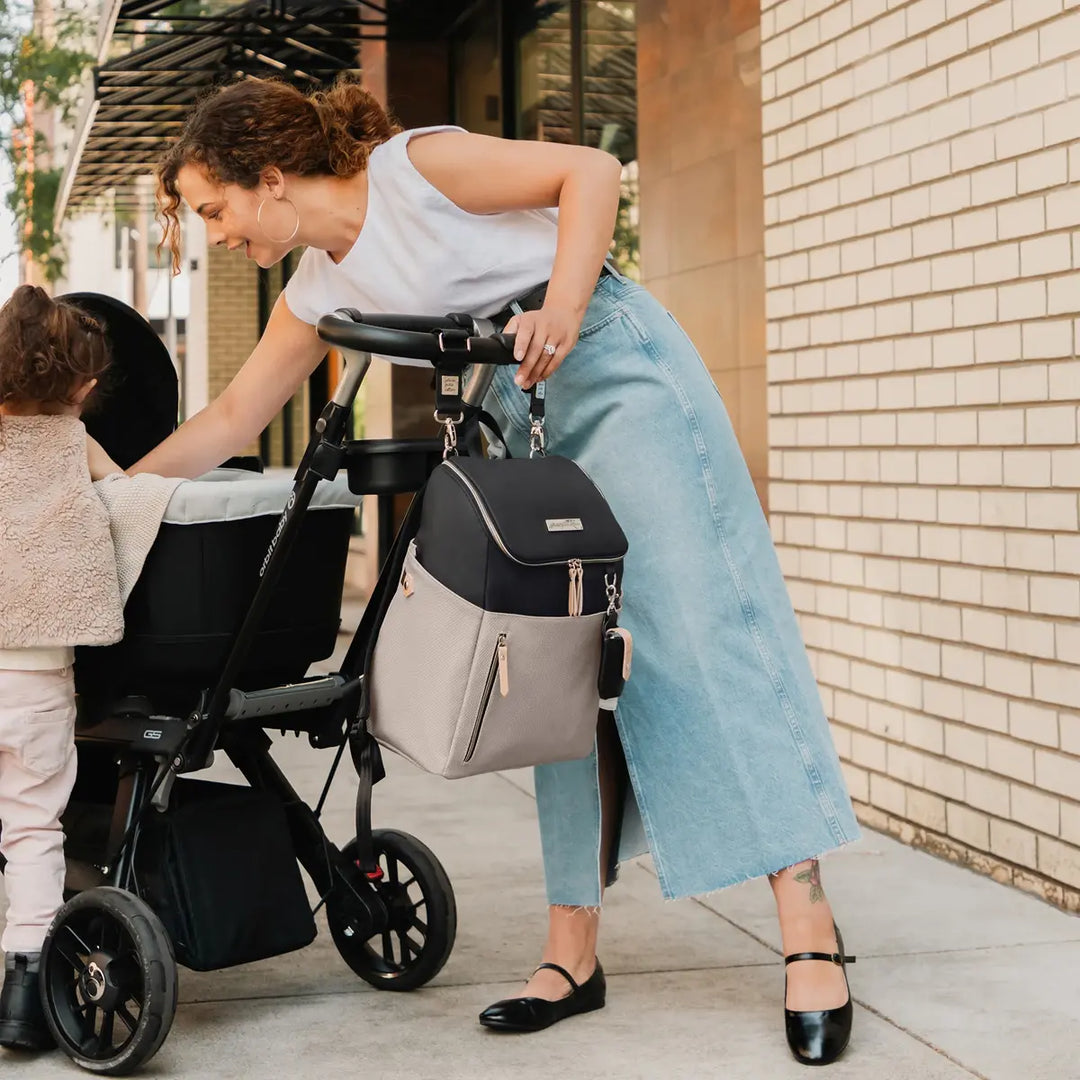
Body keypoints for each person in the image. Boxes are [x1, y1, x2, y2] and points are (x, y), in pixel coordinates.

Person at [142, 75, 860, 1066]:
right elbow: (231, 421)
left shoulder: (413, 170)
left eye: (215, 210)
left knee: (701, 632)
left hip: (610, 364)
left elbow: (591, 170)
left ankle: (810, 929)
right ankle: (573, 953)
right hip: (514, 406)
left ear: (268, 180)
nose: (215, 235)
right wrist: (113, 498)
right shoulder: (318, 288)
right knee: (553, 670)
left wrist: (561, 305)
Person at [0, 285, 124, 1051]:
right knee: (33, 829)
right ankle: (23, 992)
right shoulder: (73, 443)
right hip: (35, 678)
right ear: (79, 386)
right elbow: (130, 497)